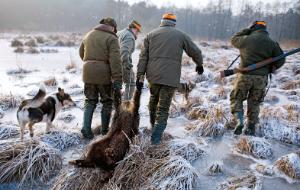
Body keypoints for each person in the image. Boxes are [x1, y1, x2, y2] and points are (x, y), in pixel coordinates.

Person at [137, 13, 204, 145]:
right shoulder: (180, 35)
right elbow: (195, 51)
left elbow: (142, 58)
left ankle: (152, 126)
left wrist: (140, 77)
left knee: (153, 102)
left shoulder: (150, 35)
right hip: (170, 78)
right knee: (163, 108)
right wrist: (199, 64)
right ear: (174, 23)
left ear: (161, 22)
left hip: (153, 77)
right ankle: (156, 139)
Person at [230, 21, 285, 136]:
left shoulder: (246, 39)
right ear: (265, 29)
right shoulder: (272, 43)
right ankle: (250, 127)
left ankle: (239, 121)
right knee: (255, 103)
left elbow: (234, 39)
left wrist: (247, 30)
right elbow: (281, 59)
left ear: (253, 28)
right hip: (261, 78)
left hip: (244, 76)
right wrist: (270, 68)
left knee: (237, 99)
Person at [79, 17, 123, 139]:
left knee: (90, 100)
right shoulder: (112, 38)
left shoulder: (88, 34)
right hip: (104, 74)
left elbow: (81, 53)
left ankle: (86, 129)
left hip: (87, 72)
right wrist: (118, 79)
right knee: (107, 102)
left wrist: (90, 63)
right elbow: (115, 60)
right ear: (113, 27)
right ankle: (104, 131)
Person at [117, 20, 142, 101]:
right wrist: (127, 65)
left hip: (114, 62)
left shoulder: (120, 32)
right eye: (138, 31)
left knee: (116, 84)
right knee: (130, 84)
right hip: (122, 63)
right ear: (134, 29)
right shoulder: (129, 36)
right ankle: (126, 106)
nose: (137, 33)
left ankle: (116, 104)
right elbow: (124, 52)